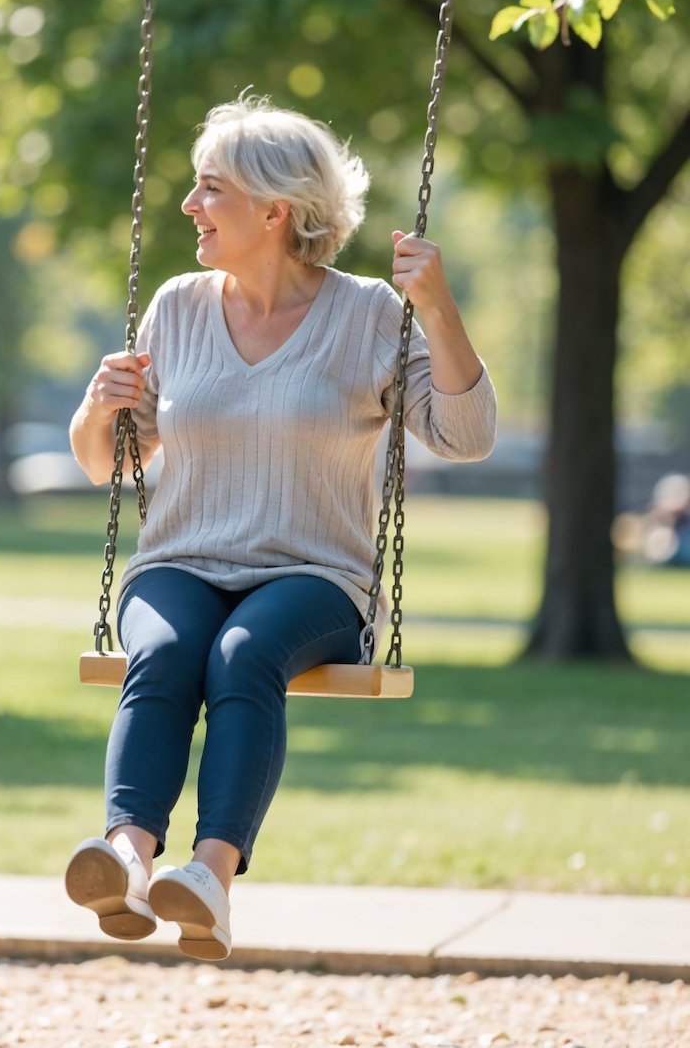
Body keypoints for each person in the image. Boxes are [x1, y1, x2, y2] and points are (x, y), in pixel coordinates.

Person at [64, 96, 496, 959]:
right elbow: (107, 459)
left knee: (242, 653)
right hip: (182, 559)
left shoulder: (373, 313)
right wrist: (96, 407)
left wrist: (440, 309)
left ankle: (210, 880)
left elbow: (466, 433)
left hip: (317, 576)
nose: (189, 205)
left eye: (208, 189)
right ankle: (128, 855)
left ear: (274, 210)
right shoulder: (179, 307)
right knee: (165, 651)